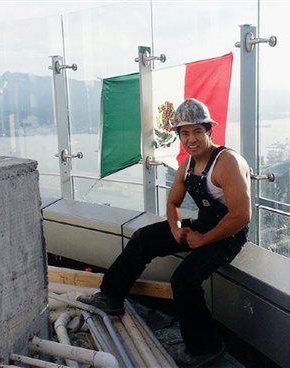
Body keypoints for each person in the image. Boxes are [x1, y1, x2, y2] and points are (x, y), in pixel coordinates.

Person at [78, 98, 251, 367]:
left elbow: (241, 215)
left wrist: (204, 239)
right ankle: (111, 296)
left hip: (229, 234)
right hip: (204, 225)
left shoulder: (227, 162)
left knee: (184, 280)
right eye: (184, 133)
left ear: (209, 132)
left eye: (197, 132)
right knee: (144, 239)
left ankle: (206, 347)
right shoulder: (189, 165)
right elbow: (173, 203)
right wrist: (176, 228)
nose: (191, 139)